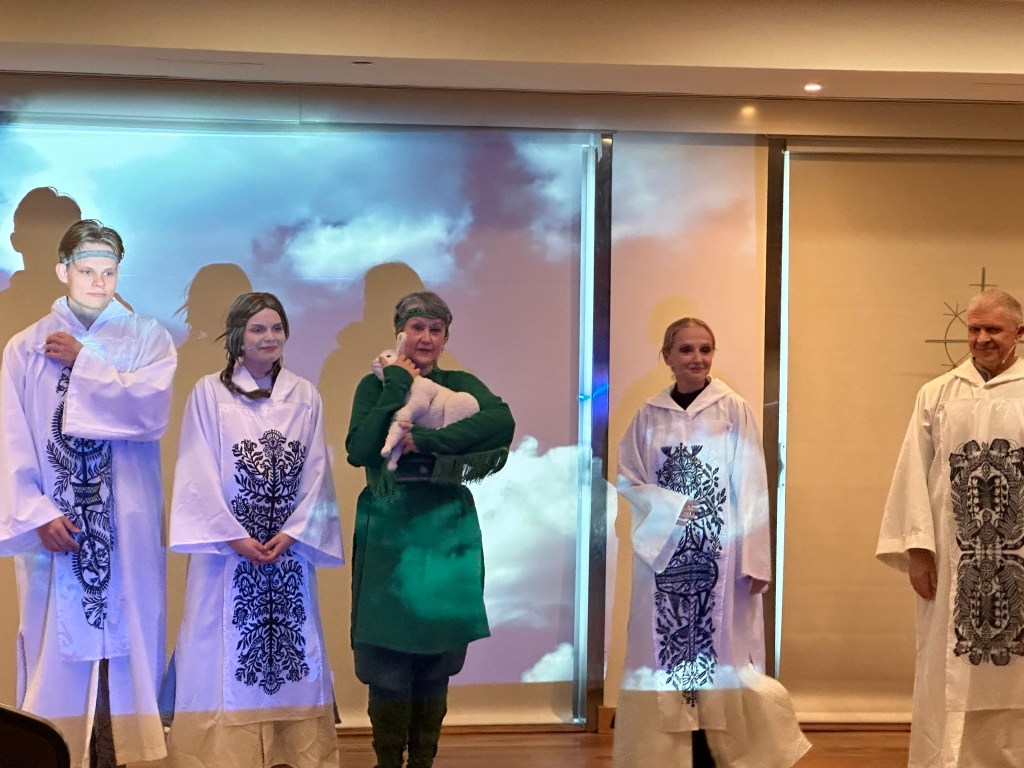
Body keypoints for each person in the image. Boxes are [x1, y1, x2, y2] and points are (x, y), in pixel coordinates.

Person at [0, 219, 176, 768]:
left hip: (126, 525)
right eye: (86, 271)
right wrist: (35, 512)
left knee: (129, 648)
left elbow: (150, 412)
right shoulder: (26, 346)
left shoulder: (146, 338)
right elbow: (10, 436)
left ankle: (120, 756)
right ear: (63, 271)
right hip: (55, 527)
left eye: (109, 271)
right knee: (57, 652)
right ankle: (57, 753)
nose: (99, 282)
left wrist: (85, 361)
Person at [614, 317, 809, 768]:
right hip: (664, 557)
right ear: (667, 356)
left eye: (705, 349)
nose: (697, 359)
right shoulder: (648, 414)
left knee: (723, 652)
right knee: (665, 650)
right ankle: (665, 755)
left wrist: (755, 560)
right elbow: (629, 477)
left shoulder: (732, 409)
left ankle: (720, 751)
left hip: (723, 557)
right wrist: (669, 506)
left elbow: (753, 484)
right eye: (686, 349)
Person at [164, 292, 344, 768]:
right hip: (227, 554)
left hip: (287, 550)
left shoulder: (304, 395)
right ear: (238, 338)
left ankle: (296, 754)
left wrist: (294, 531)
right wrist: (232, 535)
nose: (269, 337)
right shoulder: (209, 393)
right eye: (258, 329)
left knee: (294, 651)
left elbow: (318, 472)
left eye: (276, 328)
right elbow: (196, 470)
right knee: (218, 647)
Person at [346, 291, 514, 768]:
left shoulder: (460, 385)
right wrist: (397, 386)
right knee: (387, 657)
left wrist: (426, 440)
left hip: (445, 527)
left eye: (435, 330)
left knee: (437, 658)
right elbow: (360, 450)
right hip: (389, 527)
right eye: (416, 327)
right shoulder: (374, 385)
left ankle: (422, 762)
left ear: (445, 338)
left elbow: (500, 423)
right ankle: (387, 763)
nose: (425, 337)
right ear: (399, 332)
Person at [878, 289, 1024, 767]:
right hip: (953, 560)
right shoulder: (938, 393)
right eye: (974, 329)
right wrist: (917, 549)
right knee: (946, 669)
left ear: (1019, 332)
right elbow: (912, 473)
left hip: (1017, 562)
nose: (981, 339)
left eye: (993, 329)